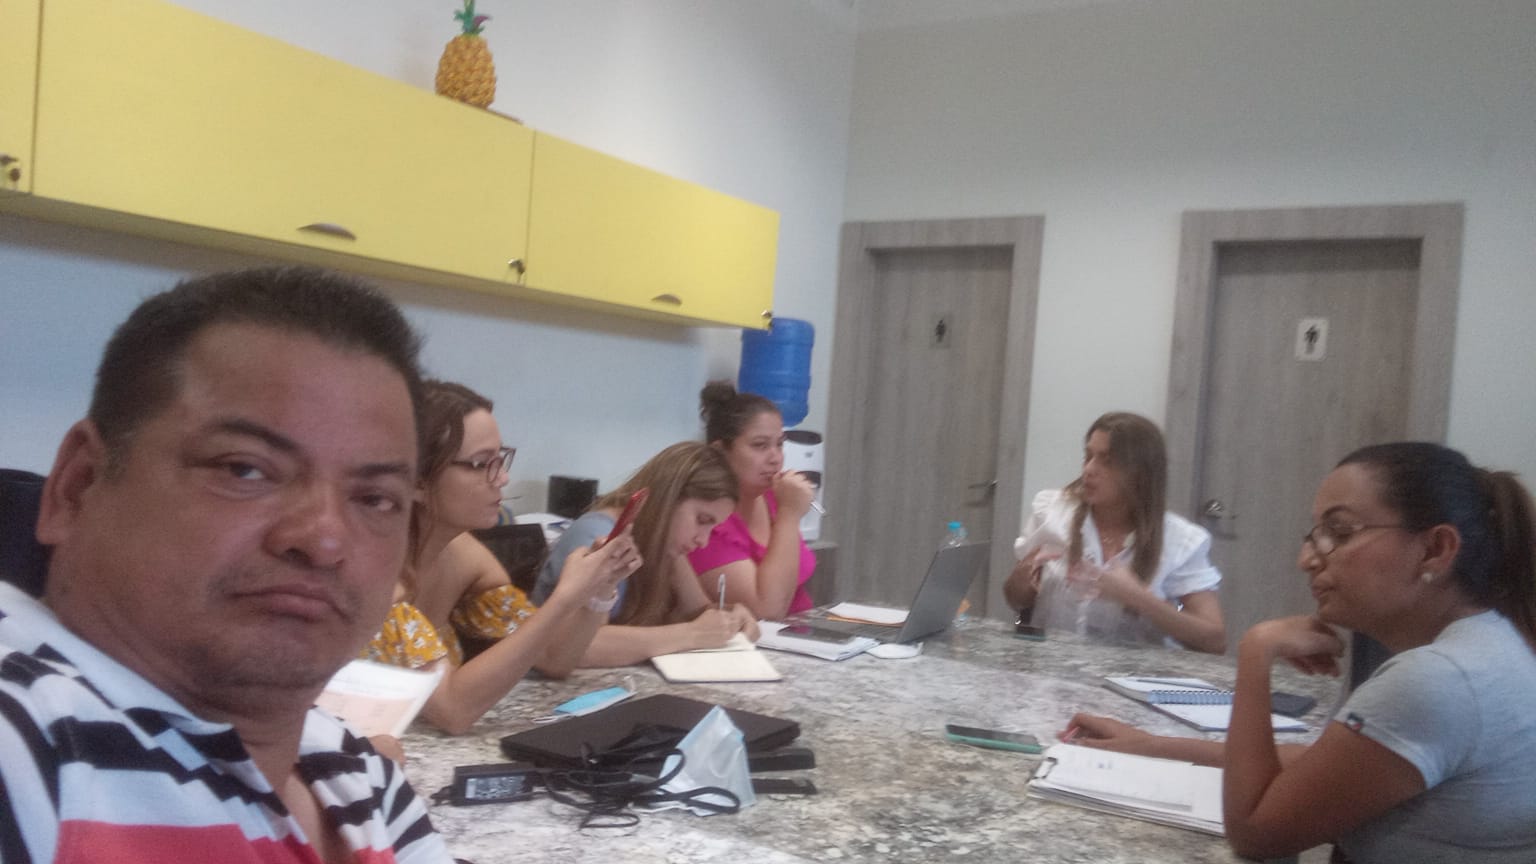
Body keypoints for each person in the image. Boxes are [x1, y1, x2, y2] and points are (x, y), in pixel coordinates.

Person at [0, 267, 450, 863]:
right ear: (77, 487)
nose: (323, 540)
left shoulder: (354, 774)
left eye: (375, 499)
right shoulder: (21, 745)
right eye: (245, 469)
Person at [1067, 442, 1536, 862]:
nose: (1307, 559)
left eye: (1340, 532)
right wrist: (1151, 746)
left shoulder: (1436, 681)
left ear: (1435, 549)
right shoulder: (1495, 640)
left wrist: (1256, 653)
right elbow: (1324, 766)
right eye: (1314, 535)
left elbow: (1256, 832)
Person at [360, 380, 638, 734]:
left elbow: (554, 657)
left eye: (501, 459)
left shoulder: (466, 557)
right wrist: (564, 598)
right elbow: (452, 711)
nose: (503, 478)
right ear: (416, 482)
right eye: (481, 464)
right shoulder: (373, 573)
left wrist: (597, 591)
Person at [1003, 412, 1226, 653]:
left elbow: (1214, 641)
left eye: (1107, 461)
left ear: (1139, 473)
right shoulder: (1052, 512)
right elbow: (1015, 599)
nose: (1089, 469)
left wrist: (1137, 597)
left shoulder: (1180, 540)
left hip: (1135, 673)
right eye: (1088, 456)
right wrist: (1021, 580)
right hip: (1049, 667)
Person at [534, 442, 761, 665]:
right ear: (667, 501)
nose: (703, 541)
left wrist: (731, 618)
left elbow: (697, 611)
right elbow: (575, 647)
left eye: (712, 527)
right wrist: (692, 634)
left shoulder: (666, 546)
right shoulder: (599, 535)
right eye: (702, 520)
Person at [688, 381, 817, 620]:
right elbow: (766, 611)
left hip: (801, 631)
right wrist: (789, 515)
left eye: (779, 444)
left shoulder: (775, 498)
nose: (775, 458)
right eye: (760, 446)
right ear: (720, 451)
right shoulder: (707, 520)